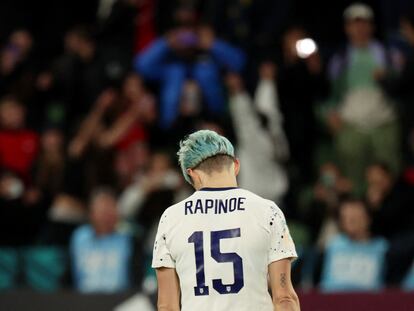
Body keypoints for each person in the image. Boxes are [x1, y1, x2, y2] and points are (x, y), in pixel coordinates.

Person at [152, 130, 300, 311]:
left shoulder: (171, 218)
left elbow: (167, 306)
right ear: (236, 165)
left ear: (193, 174)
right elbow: (284, 298)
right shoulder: (267, 212)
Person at [326, 3, 400, 192]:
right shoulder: (340, 58)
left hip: (384, 121)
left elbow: (401, 86)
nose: (359, 28)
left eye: (364, 23)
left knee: (388, 176)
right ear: (347, 28)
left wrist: (387, 76)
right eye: (354, 23)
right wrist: (330, 113)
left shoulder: (387, 54)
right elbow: (331, 93)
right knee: (353, 178)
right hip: (352, 124)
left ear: (372, 26)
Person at [70, 188, 133, 293]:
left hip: (120, 299)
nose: (107, 216)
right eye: (103, 211)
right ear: (92, 214)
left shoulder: (129, 239)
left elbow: (136, 278)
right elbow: (70, 276)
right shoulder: (79, 237)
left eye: (111, 210)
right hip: (83, 301)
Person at [320, 198, 388, 292]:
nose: (349, 222)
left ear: (368, 219)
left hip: (369, 302)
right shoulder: (334, 244)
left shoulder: (382, 247)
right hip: (332, 300)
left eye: (354, 218)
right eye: (345, 218)